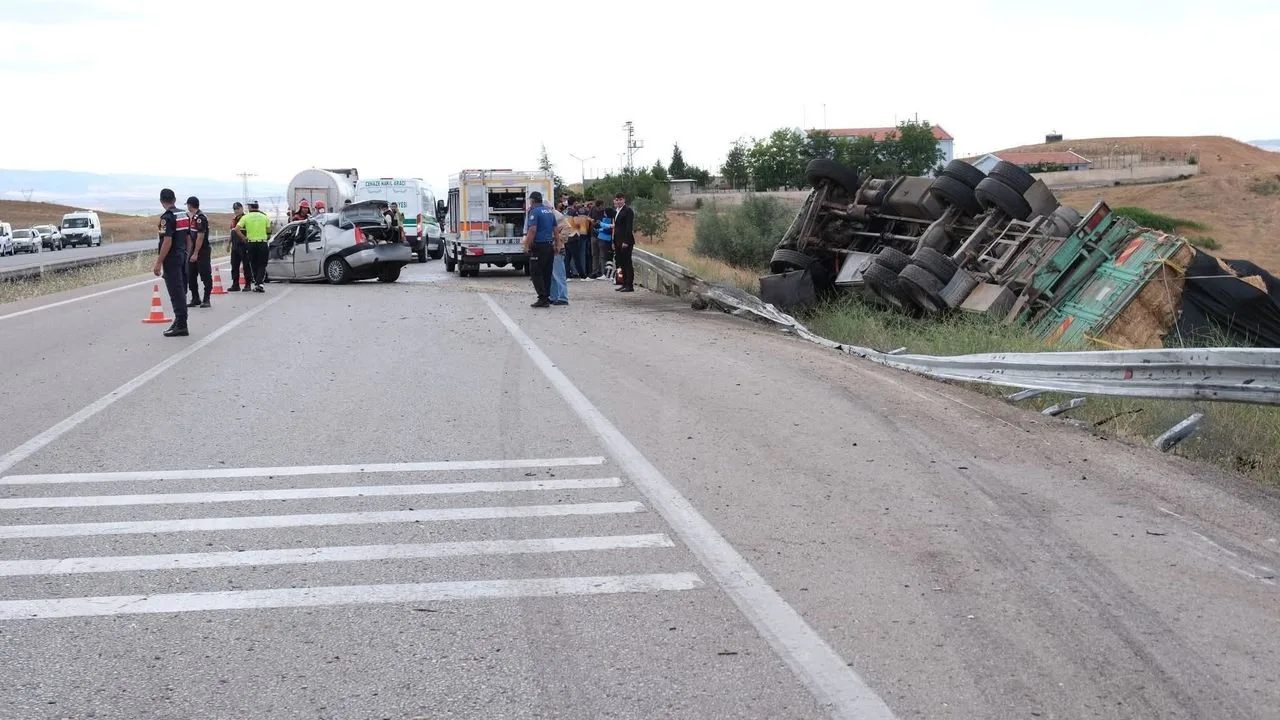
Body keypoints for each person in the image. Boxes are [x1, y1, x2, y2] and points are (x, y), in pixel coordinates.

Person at [154, 188, 190, 337]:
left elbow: (167, 241)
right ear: (174, 199)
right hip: (182, 256)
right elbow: (188, 238)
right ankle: (179, 320)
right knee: (181, 289)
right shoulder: (183, 214)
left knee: (176, 292)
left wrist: (158, 262)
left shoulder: (166, 218)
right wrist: (186, 254)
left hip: (172, 259)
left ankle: (181, 324)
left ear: (162, 202)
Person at [523, 190, 559, 308]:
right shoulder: (549, 211)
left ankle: (542, 298)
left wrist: (526, 245)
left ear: (532, 201)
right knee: (546, 273)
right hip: (549, 246)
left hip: (539, 246)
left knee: (535, 273)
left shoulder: (534, 212)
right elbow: (555, 229)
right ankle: (547, 297)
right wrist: (557, 244)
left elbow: (532, 230)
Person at [236, 200, 272, 293]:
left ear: (250, 207)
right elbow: (269, 231)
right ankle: (260, 283)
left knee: (253, 264)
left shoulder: (246, 217)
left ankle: (257, 283)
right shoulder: (264, 217)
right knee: (262, 264)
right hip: (262, 243)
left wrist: (244, 238)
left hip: (251, 243)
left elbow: (236, 229)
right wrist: (266, 237)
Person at [185, 196, 212, 308]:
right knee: (191, 274)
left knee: (205, 274)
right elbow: (191, 236)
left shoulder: (200, 218)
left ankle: (206, 299)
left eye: (188, 205)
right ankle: (195, 298)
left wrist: (196, 253)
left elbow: (200, 237)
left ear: (190, 205)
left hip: (202, 250)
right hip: (193, 250)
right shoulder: (193, 218)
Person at [612, 192, 635, 292]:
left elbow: (629, 227)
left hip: (625, 241)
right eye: (617, 199)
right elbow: (616, 227)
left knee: (627, 262)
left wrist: (626, 240)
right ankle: (624, 282)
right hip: (618, 241)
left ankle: (629, 284)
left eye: (621, 199)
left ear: (624, 200)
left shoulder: (628, 210)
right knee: (621, 262)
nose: (619, 201)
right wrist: (614, 241)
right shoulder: (617, 211)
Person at [228, 201, 252, 291]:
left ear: (242, 209)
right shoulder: (234, 219)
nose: (236, 211)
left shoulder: (246, 218)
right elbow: (232, 232)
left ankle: (248, 284)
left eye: (238, 209)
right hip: (235, 246)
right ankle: (235, 284)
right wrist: (228, 244)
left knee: (246, 265)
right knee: (234, 265)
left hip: (244, 245)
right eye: (235, 209)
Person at [595, 207, 615, 280]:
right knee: (607, 257)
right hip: (608, 239)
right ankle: (607, 273)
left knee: (603, 257)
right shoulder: (612, 219)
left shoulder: (606, 220)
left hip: (603, 239)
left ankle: (605, 273)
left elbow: (608, 228)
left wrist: (600, 225)